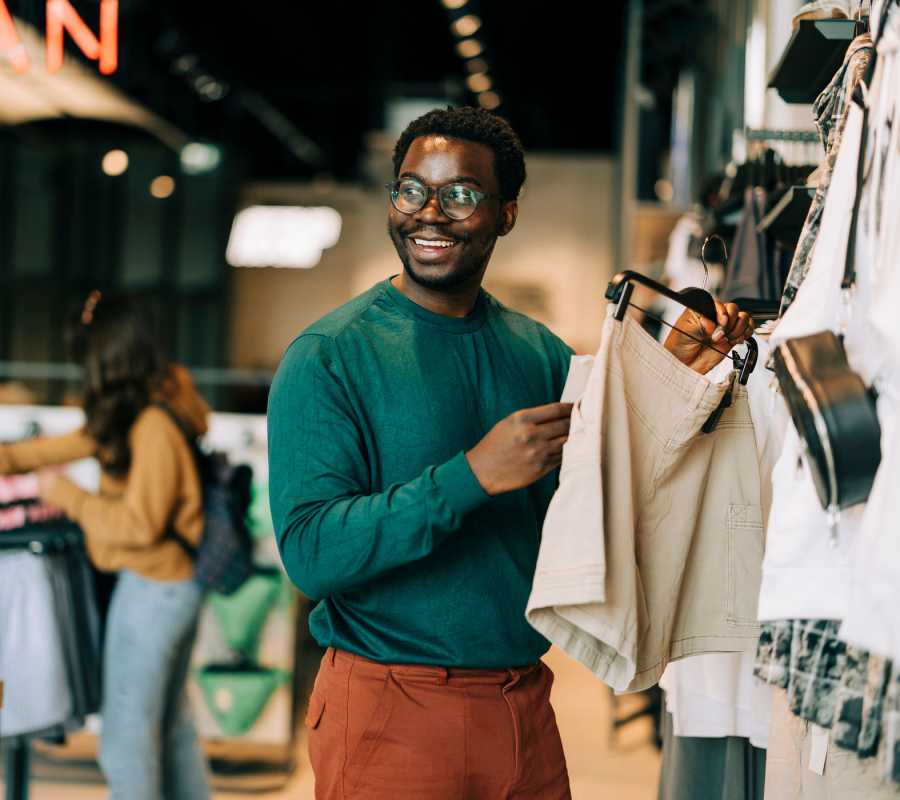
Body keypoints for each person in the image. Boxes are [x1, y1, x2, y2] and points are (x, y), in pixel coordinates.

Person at [267, 106, 753, 800]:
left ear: (506, 213)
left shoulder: (539, 352)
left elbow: (603, 497)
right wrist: (470, 477)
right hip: (389, 707)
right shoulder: (330, 358)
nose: (429, 213)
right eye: (411, 189)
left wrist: (673, 374)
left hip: (523, 705)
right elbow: (312, 554)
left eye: (460, 194)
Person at [0, 293, 211, 800]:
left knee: (124, 741)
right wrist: (13, 460)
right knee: (171, 730)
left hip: (155, 592)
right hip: (166, 591)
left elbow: (140, 527)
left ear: (108, 360)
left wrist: (65, 493)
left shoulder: (154, 426)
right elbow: (52, 449)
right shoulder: (134, 414)